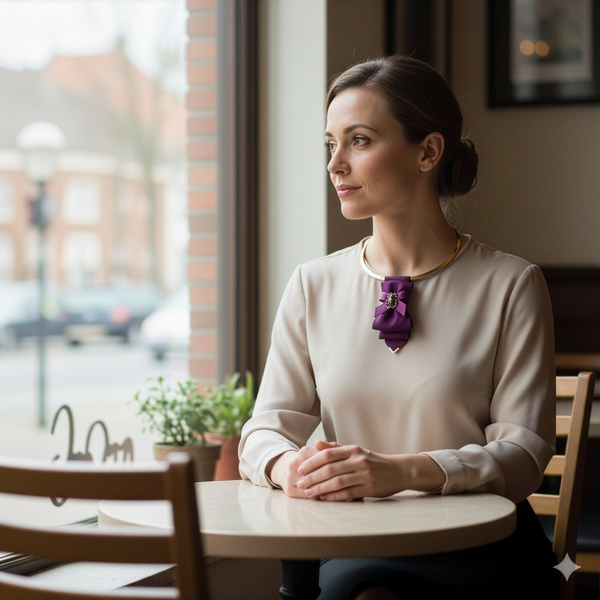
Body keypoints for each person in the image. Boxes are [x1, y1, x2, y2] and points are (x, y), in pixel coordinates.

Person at [239, 56, 559, 600]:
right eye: (329, 144)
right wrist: (287, 465)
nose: (335, 164)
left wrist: (405, 472)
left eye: (359, 141)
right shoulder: (311, 285)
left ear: (428, 152)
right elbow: (261, 430)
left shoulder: (512, 284)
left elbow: (526, 455)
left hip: (480, 547)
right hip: (355, 539)